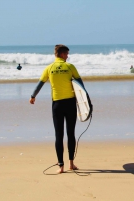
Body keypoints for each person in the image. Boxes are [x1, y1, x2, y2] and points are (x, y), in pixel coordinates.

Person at [29, 44, 92, 173]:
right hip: (70, 104)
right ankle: (71, 163)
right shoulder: (70, 67)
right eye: (67, 54)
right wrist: (86, 102)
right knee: (71, 133)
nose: (67, 56)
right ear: (62, 54)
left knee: (59, 135)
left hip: (57, 104)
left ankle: (61, 166)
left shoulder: (49, 68)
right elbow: (80, 85)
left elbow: (40, 84)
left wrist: (33, 96)